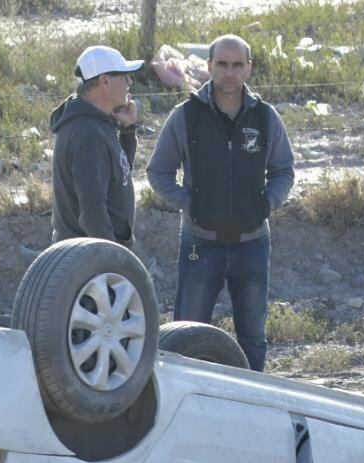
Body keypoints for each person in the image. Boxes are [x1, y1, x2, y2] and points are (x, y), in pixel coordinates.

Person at [146, 34, 295, 372]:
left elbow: (284, 170)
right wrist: (191, 205)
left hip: (253, 245)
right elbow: (158, 171)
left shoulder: (266, 117)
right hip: (201, 244)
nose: (230, 73)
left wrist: (266, 205)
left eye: (237, 65)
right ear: (209, 66)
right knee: (187, 335)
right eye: (223, 65)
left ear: (249, 68)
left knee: (253, 338)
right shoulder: (185, 116)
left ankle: (253, 403)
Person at [49, 45, 145, 245]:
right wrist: (111, 260)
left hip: (92, 255)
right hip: (92, 260)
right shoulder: (89, 134)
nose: (130, 82)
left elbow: (120, 173)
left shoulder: (98, 122)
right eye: (124, 76)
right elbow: (92, 214)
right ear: (105, 80)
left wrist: (127, 129)